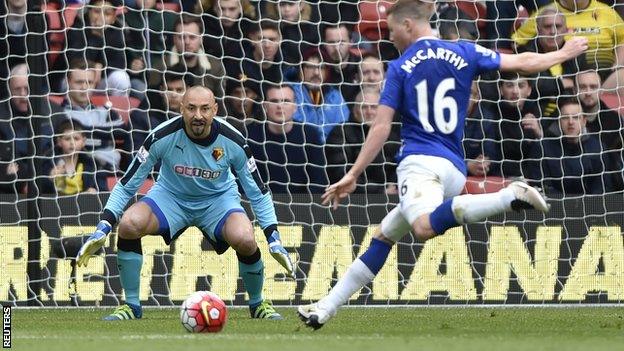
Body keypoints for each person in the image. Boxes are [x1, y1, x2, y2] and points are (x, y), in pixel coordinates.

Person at [297, 0, 587, 329]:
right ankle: (324, 307)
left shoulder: (401, 67)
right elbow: (521, 60)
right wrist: (563, 54)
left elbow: (381, 127)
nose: (389, 37)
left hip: (419, 163)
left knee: (422, 228)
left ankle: (508, 197)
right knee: (384, 235)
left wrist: (353, 173)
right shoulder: (463, 50)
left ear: (408, 25)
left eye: (391, 30)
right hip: (452, 168)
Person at [75, 86, 295, 321]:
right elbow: (127, 184)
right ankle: (131, 305)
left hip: (217, 201)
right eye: (191, 108)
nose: (197, 115)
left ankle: (257, 303)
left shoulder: (233, 141)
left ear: (215, 110)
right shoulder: (162, 136)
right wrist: (105, 225)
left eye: (204, 109)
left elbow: (258, 193)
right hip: (171, 198)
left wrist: (273, 238)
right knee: (129, 224)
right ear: (181, 109)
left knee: (245, 238)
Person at [247, 84, 327, 195]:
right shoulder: (250, 135)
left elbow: (319, 180)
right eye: (274, 101)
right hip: (260, 205)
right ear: (265, 106)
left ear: (295, 107)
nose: (280, 106)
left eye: (286, 101)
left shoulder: (310, 135)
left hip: (302, 205)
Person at [537, 96, 612, 195]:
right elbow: (543, 187)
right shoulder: (543, 148)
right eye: (565, 117)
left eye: (576, 117)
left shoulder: (599, 149)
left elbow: (602, 188)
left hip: (591, 207)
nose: (571, 122)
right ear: (559, 121)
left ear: (584, 121)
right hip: (555, 207)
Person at [44, 120, 108, 195]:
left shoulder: (94, 165)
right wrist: (49, 179)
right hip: (53, 206)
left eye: (76, 139)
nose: (72, 143)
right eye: (67, 139)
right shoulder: (47, 164)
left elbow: (104, 193)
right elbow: (37, 192)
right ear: (59, 141)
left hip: (83, 205)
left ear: (83, 142)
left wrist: (95, 192)